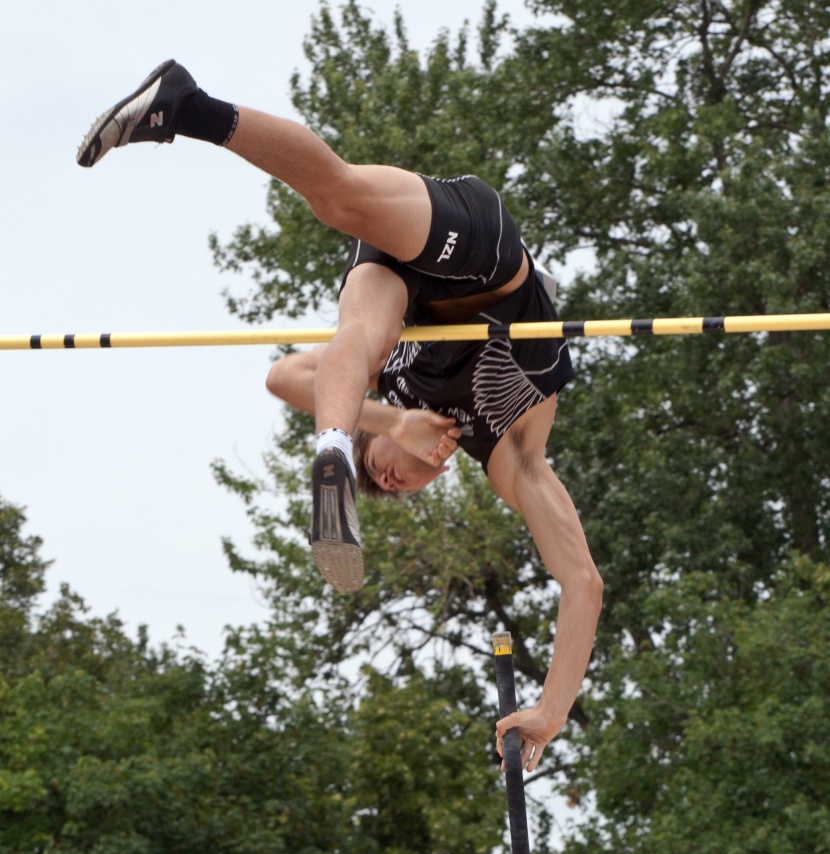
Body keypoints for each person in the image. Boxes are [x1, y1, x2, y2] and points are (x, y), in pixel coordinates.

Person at [77, 60, 603, 772]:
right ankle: (333, 441)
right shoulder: (507, 451)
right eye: (390, 481)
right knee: (356, 277)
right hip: (485, 279)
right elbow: (583, 582)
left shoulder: (457, 428)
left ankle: (187, 106)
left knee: (345, 233)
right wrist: (551, 710)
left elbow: (281, 376)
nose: (397, 476)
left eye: (380, 479)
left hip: (449, 276)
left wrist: (389, 422)